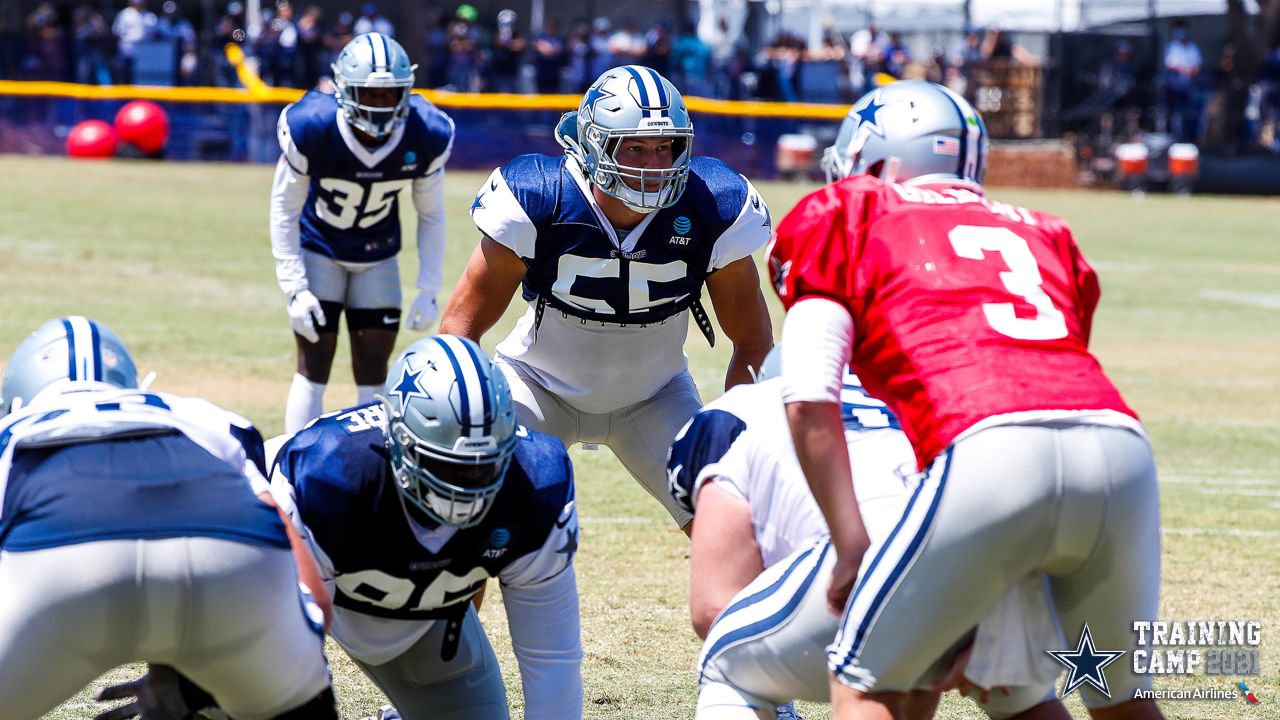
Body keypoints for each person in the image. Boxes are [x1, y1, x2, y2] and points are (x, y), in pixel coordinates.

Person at [769, 80, 1162, 719]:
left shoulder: (850, 216)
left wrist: (851, 545)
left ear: (875, 161)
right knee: (1121, 700)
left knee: (868, 680)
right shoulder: (1045, 230)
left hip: (989, 446)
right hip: (1120, 447)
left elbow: (810, 397)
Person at [439, 65, 774, 532]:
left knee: (735, 520)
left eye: (665, 147)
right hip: (538, 387)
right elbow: (459, 331)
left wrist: (739, 444)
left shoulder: (712, 205)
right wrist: (465, 427)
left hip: (655, 398)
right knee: (474, 514)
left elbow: (753, 343)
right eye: (634, 147)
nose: (654, 166)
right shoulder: (541, 196)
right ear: (594, 146)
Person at [668, 349, 1068, 720]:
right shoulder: (918, 402)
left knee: (727, 668)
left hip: (858, 568)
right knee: (1027, 703)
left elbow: (713, 609)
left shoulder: (740, 411)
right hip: (989, 566)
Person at [0, 317, 336, 720]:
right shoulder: (206, 417)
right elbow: (313, 591)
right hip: (232, 561)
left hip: (64, 566)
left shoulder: (11, 431)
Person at [267, 335, 582, 719]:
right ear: (397, 440)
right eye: (448, 466)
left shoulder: (535, 484)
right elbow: (281, 658)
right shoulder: (330, 477)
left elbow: (552, 658)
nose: (469, 488)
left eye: (485, 466)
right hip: (284, 596)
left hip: (423, 624)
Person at [271, 31, 455, 434]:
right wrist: (294, 287)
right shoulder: (312, 125)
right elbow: (284, 209)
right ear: (344, 90)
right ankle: (291, 468)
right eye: (369, 94)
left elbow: (432, 215)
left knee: (374, 372)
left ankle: (371, 470)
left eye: (389, 94)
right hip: (320, 249)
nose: (379, 105)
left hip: (377, 256)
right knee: (313, 366)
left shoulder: (425, 132)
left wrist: (428, 287)